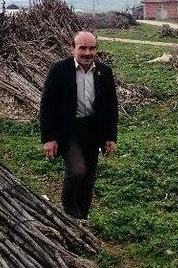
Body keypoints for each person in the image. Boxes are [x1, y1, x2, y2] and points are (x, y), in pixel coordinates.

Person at [40, 31, 118, 219]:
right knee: (77, 171)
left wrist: (110, 137)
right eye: (82, 47)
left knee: (89, 177)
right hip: (68, 131)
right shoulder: (59, 70)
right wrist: (49, 138)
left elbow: (111, 105)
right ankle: (68, 208)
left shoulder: (104, 72)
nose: (87, 53)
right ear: (72, 49)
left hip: (93, 130)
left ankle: (82, 216)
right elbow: (47, 105)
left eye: (91, 48)